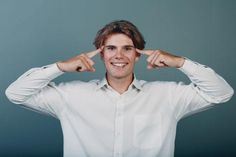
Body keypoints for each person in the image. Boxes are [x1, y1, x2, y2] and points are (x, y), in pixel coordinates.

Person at [5, 20, 234, 157]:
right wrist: (59, 67)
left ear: (137, 55)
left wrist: (180, 62)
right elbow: (15, 94)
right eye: (111, 48)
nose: (119, 55)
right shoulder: (71, 96)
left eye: (127, 48)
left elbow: (222, 93)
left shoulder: (168, 95)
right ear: (101, 53)